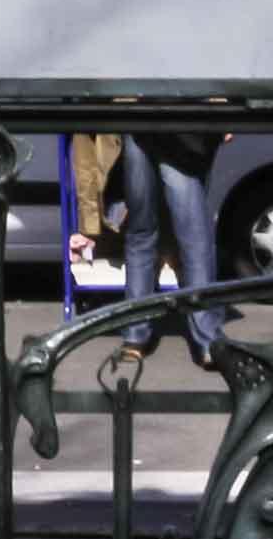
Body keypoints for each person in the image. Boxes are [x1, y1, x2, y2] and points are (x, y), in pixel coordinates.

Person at [70, 131, 229, 367]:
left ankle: (138, 336)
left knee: (151, 234)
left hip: (145, 121)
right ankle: (204, 338)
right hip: (169, 123)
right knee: (187, 236)